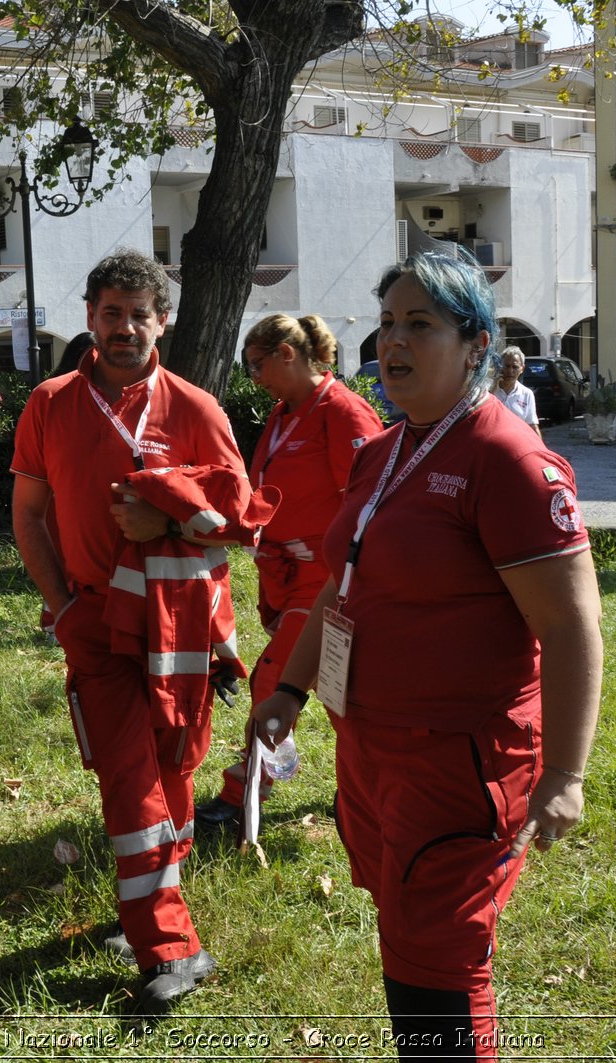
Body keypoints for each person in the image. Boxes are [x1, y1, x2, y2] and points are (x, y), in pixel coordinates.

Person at [253, 250, 603, 1060]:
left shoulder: (507, 458)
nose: (394, 344)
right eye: (386, 325)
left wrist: (565, 774)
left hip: (459, 760)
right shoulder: (385, 449)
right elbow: (344, 587)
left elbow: (573, 626)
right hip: (374, 751)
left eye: (421, 324)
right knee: (408, 945)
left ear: (477, 343)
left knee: (437, 972)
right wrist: (291, 691)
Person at [12, 249, 262, 1014]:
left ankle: (149, 898)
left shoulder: (195, 407)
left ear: (164, 320)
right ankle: (170, 943)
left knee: (174, 765)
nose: (125, 329)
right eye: (111, 313)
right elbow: (28, 514)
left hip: (181, 625)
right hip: (94, 620)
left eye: (139, 315)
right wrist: (62, 605)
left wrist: (169, 516)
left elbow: (242, 522)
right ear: (90, 317)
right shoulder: (51, 402)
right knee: (127, 773)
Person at [196, 312, 383, 833]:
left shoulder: (344, 413)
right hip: (283, 579)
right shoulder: (284, 414)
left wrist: (337, 575)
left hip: (327, 583)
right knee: (341, 696)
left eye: (258, 365)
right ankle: (368, 792)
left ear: (288, 354)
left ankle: (243, 796)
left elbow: (368, 508)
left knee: (276, 680)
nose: (253, 378)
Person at [492, 346, 541, 437]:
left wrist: (542, 449)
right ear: (500, 366)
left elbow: (532, 425)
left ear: (522, 368)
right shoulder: (487, 390)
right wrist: (493, 389)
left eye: (515, 367)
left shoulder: (527, 394)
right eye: (507, 366)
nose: (510, 371)